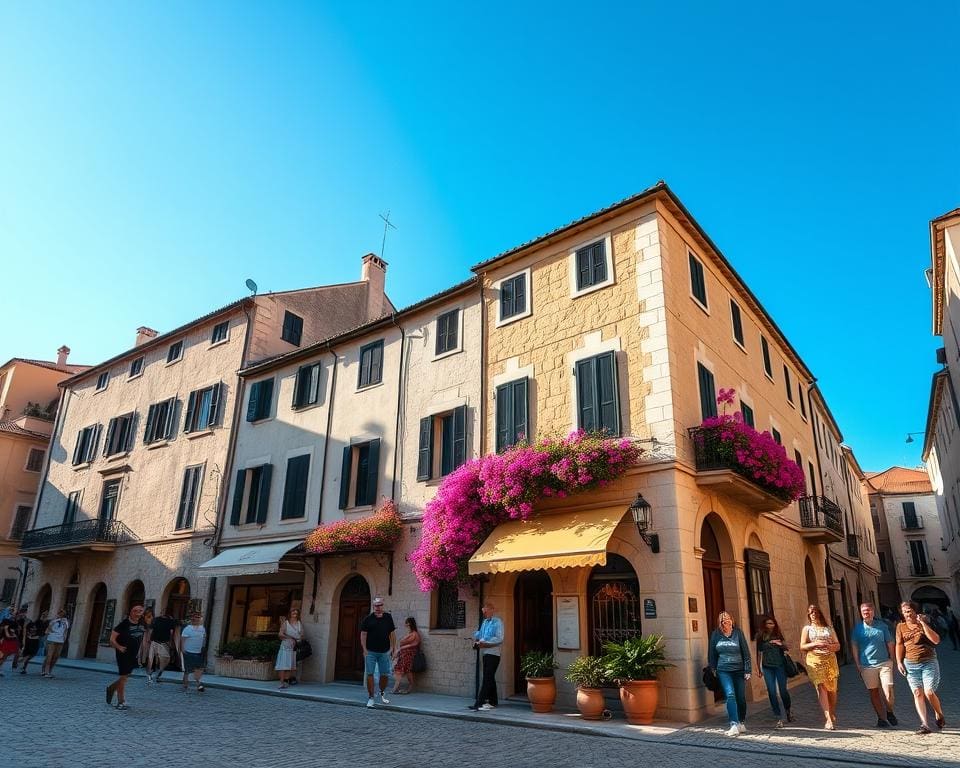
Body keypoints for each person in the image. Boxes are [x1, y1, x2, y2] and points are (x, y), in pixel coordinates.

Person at [896, 600, 946, 735]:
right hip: (910, 664)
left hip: (928, 661)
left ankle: (939, 714)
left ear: (915, 611)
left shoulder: (925, 622)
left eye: (909, 611)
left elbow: (936, 640)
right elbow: (899, 644)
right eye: (905, 611)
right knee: (918, 693)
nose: (907, 614)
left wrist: (923, 624)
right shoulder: (900, 627)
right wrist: (899, 662)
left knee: (929, 691)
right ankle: (925, 724)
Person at [850, 602, 898, 728]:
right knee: (874, 692)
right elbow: (854, 646)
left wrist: (892, 659)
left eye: (869, 610)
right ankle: (881, 718)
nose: (866, 613)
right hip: (866, 665)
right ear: (861, 613)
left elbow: (890, 643)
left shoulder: (882, 626)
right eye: (864, 611)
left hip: (884, 663)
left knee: (888, 689)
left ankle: (889, 711)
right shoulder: (858, 629)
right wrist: (858, 664)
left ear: (873, 611)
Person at [708, 611, 752, 737]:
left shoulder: (738, 633)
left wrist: (748, 670)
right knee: (730, 695)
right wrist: (713, 668)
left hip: (739, 670)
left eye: (728, 619)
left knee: (741, 698)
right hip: (723, 670)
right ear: (720, 623)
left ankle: (741, 722)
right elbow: (712, 653)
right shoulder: (716, 634)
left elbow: (746, 653)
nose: (726, 621)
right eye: (723, 620)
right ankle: (733, 724)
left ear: (732, 620)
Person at [800, 604, 841, 730]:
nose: (813, 614)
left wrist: (830, 647)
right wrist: (815, 644)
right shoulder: (807, 629)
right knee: (821, 686)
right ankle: (828, 719)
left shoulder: (828, 628)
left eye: (815, 612)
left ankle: (832, 711)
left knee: (832, 690)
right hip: (814, 660)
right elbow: (802, 646)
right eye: (811, 612)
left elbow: (838, 645)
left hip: (829, 660)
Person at [755, 614, 792, 727]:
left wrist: (779, 643)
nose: (770, 625)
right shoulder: (760, 636)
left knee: (783, 691)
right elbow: (759, 653)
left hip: (780, 666)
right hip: (767, 667)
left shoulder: (778, 634)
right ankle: (778, 716)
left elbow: (787, 647)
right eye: (768, 623)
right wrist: (758, 668)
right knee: (771, 692)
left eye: (772, 623)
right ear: (764, 625)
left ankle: (787, 710)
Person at [106, 604, 145, 711]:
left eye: (140, 611)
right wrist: (119, 647)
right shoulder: (124, 624)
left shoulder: (143, 623)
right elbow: (112, 639)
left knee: (126, 676)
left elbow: (144, 636)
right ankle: (121, 702)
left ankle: (111, 688)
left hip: (134, 654)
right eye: (135, 611)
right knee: (124, 677)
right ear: (131, 612)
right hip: (123, 653)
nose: (137, 613)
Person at [360, 598, 395, 708]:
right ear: (373, 606)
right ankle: (371, 697)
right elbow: (363, 634)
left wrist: (393, 647)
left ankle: (381, 691)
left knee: (384, 674)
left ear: (382, 605)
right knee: (370, 674)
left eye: (380, 605)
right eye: (376, 605)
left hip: (384, 651)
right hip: (370, 651)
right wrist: (364, 649)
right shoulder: (368, 619)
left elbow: (392, 634)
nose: (378, 607)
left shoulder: (388, 617)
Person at [469, 601, 504, 712]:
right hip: (485, 653)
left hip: (494, 654)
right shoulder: (484, 622)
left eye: (485, 611)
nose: (484, 614)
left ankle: (479, 703)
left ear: (492, 610)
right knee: (490, 678)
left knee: (487, 679)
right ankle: (494, 701)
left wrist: (485, 641)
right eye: (483, 612)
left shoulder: (498, 622)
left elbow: (499, 638)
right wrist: (476, 638)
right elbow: (481, 634)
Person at [146, 609, 179, 684]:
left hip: (158, 642)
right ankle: (154, 675)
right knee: (162, 659)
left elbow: (151, 629)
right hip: (161, 642)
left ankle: (154, 674)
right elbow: (171, 632)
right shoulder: (167, 621)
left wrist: (149, 639)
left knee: (155, 658)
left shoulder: (158, 620)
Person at [392, 616, 422, 694]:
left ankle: (404, 689)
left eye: (407, 623)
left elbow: (414, 644)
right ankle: (398, 688)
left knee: (406, 671)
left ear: (410, 624)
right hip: (404, 655)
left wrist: (400, 649)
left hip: (409, 655)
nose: (405, 624)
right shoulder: (410, 633)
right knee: (403, 670)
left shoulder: (415, 634)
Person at [275, 608, 304, 690]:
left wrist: (298, 639)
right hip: (285, 645)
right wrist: (291, 637)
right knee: (283, 664)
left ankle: (286, 681)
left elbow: (302, 635)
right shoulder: (286, 623)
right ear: (290, 613)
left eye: (296, 613)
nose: (295, 614)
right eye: (293, 612)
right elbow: (280, 634)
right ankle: (281, 682)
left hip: (293, 647)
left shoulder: (299, 624)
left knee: (290, 665)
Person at [179, 611, 207, 693]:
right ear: (192, 618)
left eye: (198, 617)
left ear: (201, 619)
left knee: (198, 669)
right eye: (194, 617)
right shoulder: (188, 628)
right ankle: (186, 686)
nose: (196, 619)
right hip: (188, 651)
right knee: (188, 670)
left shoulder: (202, 629)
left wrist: (203, 648)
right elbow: (182, 640)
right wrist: (182, 649)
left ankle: (197, 684)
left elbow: (203, 639)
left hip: (198, 652)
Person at [41, 608, 70, 678]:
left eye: (63, 613)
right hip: (52, 640)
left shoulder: (65, 621)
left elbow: (66, 631)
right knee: (49, 656)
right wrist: (55, 620)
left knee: (56, 656)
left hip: (60, 641)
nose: (61, 614)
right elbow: (48, 628)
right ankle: (45, 671)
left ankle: (49, 671)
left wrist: (64, 639)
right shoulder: (53, 620)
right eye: (60, 612)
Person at [19, 611, 47, 675]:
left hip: (33, 640)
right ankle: (23, 664)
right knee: (29, 654)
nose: (44, 618)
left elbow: (42, 633)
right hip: (31, 641)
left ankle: (23, 666)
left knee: (30, 654)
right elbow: (25, 632)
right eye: (43, 616)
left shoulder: (40, 624)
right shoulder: (35, 623)